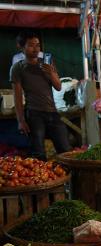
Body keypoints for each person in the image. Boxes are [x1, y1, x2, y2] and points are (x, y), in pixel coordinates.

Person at [10, 30, 71, 161]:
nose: (35, 49)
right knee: (38, 153)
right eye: (31, 45)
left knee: (66, 151)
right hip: (34, 114)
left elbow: (58, 87)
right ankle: (42, 181)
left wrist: (52, 74)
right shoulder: (17, 68)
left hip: (52, 112)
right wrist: (20, 121)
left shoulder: (46, 64)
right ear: (21, 47)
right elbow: (18, 96)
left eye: (37, 45)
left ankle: (68, 181)